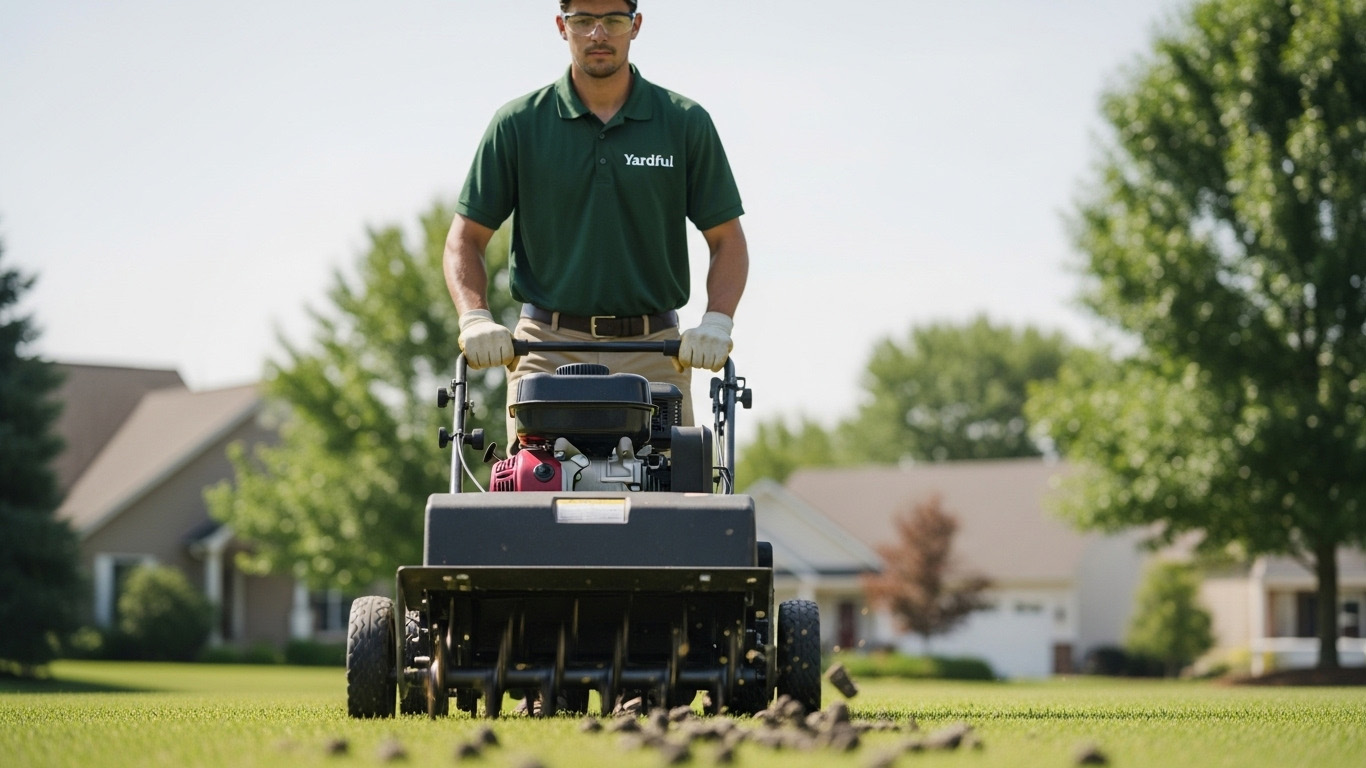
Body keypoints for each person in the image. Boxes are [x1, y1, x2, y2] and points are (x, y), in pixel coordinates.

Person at [443, 0, 749, 440]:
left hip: (654, 349)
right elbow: (464, 239)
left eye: (613, 20)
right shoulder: (518, 123)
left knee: (669, 501)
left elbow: (727, 240)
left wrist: (717, 321)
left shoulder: (684, 123)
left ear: (636, 26)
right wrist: (475, 318)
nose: (598, 34)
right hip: (545, 349)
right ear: (561, 27)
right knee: (532, 496)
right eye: (583, 20)